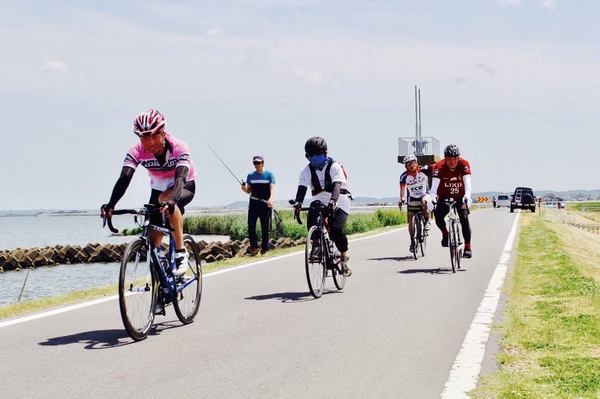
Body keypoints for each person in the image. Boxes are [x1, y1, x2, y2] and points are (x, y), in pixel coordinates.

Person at [101, 109, 197, 275]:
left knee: (166, 200)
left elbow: (180, 178)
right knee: (154, 236)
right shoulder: (136, 151)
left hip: (184, 184)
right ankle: (162, 280)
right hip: (158, 187)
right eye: (144, 137)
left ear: (162, 132)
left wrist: (173, 200)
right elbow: (125, 177)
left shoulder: (178, 147)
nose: (150, 142)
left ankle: (181, 252)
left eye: (153, 136)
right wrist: (111, 204)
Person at [292, 137, 352, 276]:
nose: (314, 158)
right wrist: (298, 203)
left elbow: (337, 185)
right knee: (312, 215)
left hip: (340, 199)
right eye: (310, 156)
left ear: (324, 153)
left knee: (336, 229)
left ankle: (344, 258)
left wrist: (333, 201)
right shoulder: (306, 170)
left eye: (317, 155)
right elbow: (302, 188)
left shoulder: (334, 166)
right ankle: (317, 245)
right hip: (319, 199)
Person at [430, 144, 473, 258]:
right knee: (437, 214)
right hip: (444, 197)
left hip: (460, 197)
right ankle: (445, 234)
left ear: (458, 157)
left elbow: (467, 185)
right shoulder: (439, 166)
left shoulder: (464, 164)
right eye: (449, 159)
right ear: (445, 158)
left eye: (455, 158)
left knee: (464, 218)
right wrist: (432, 198)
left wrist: (467, 196)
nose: (452, 161)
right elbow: (433, 189)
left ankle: (468, 247)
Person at [241, 156, 276, 255]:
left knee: (265, 227)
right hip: (253, 203)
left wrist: (271, 199)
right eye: (255, 163)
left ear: (263, 163)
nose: (256, 165)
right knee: (251, 226)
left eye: (258, 163)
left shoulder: (269, 175)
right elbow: (248, 191)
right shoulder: (250, 175)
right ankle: (254, 248)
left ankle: (264, 249)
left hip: (265, 204)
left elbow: (272, 188)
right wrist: (243, 188)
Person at [398, 154, 433, 253]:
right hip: (413, 197)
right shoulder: (404, 176)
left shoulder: (423, 170)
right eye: (408, 164)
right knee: (410, 217)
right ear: (405, 166)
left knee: (425, 201)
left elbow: (435, 168)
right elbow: (402, 189)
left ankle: (426, 221)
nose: (411, 165)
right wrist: (402, 199)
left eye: (412, 163)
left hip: (424, 194)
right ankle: (412, 242)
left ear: (416, 163)